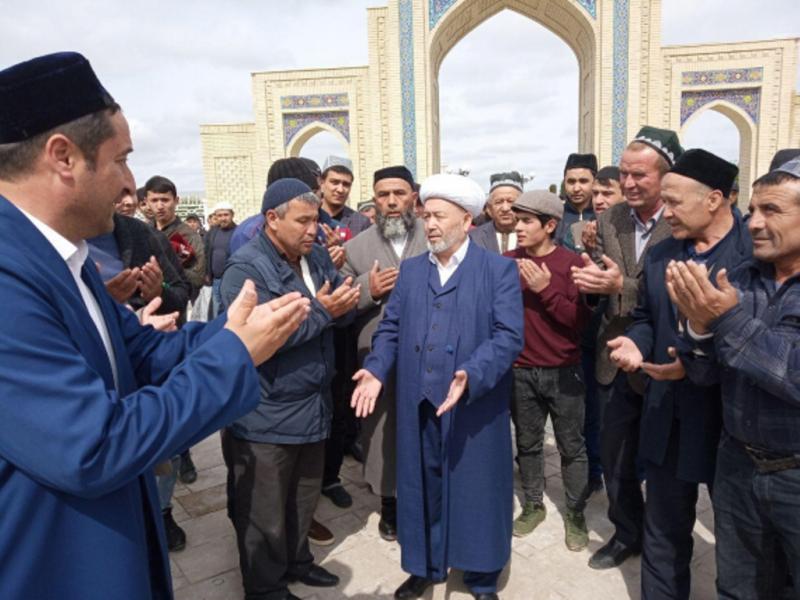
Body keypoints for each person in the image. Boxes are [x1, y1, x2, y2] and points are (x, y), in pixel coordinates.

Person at [0, 51, 311, 600]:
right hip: (58, 562)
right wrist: (235, 355)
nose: (130, 184)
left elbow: (140, 352)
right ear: (63, 156)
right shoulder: (8, 275)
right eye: (121, 160)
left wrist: (231, 332)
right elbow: (93, 447)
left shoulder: (62, 257)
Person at [352, 173, 523, 600]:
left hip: (474, 406)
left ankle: (481, 576)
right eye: (426, 216)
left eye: (439, 217)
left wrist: (472, 372)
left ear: (466, 221)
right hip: (420, 401)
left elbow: (508, 336)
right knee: (421, 486)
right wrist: (376, 369)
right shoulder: (411, 271)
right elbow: (390, 329)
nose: (429, 224)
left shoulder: (497, 270)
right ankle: (425, 566)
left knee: (476, 490)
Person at [608, 149, 749, 599]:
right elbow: (647, 316)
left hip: (731, 423)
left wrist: (695, 361)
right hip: (667, 414)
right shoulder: (662, 253)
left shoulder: (754, 255)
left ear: (713, 199)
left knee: (741, 548)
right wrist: (637, 342)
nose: (664, 213)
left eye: (674, 202)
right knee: (663, 533)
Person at [667, 157, 800, 600]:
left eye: (772, 210)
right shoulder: (740, 278)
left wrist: (724, 320)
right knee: (738, 587)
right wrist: (697, 327)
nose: (755, 223)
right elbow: (707, 374)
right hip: (738, 467)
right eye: (754, 210)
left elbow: (792, 375)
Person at [220, 178, 359, 600]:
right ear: (272, 219)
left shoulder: (315, 256)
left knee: (302, 496)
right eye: (303, 221)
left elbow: (338, 303)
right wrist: (323, 312)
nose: (313, 230)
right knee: (263, 512)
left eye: (316, 220)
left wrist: (345, 303)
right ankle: (265, 589)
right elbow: (257, 338)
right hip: (266, 411)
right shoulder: (245, 269)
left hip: (313, 404)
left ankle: (299, 562)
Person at [571, 126, 682, 570]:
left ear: (666, 176)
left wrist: (621, 287)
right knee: (615, 453)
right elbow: (601, 281)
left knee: (664, 461)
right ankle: (626, 533)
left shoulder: (682, 219)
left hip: (666, 360)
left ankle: (664, 541)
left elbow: (678, 292)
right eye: (625, 174)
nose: (629, 183)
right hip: (613, 356)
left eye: (640, 175)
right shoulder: (610, 219)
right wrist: (591, 288)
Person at [340, 165, 429, 541]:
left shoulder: (434, 235)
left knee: (427, 424)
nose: (391, 202)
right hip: (376, 354)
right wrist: (369, 288)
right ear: (373, 200)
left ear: (413, 197)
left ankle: (426, 494)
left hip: (429, 350)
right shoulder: (356, 247)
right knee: (381, 430)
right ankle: (389, 503)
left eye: (399, 193)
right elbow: (339, 301)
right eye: (383, 195)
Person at [503, 190, 591, 550]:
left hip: (564, 371)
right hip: (520, 371)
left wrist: (545, 289)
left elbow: (579, 322)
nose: (518, 227)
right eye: (517, 220)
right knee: (527, 443)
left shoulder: (573, 264)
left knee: (572, 446)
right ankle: (533, 505)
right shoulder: (507, 262)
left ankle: (575, 512)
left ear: (550, 225)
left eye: (527, 221)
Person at [145, 175, 206, 298]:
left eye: (165, 200)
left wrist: (168, 266)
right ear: (146, 202)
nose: (160, 206)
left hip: (176, 299)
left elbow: (198, 278)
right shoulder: (143, 232)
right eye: (154, 200)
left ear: (176, 201)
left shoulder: (189, 235)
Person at [469, 171, 523, 253]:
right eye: (498, 202)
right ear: (489, 209)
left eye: (511, 201)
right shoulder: (473, 237)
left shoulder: (536, 235)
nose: (505, 208)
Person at [319, 155, 371, 236]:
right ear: (322, 184)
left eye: (346, 184)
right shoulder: (310, 216)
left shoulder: (361, 222)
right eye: (335, 182)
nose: (340, 190)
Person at [555, 153, 597, 252]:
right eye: (571, 182)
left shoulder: (604, 216)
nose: (576, 188)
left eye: (583, 181)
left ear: (595, 182)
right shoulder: (555, 217)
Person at [205, 201, 237, 317]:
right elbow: (207, 252)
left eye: (226, 215)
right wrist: (207, 273)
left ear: (232, 215)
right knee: (216, 309)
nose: (223, 218)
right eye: (219, 215)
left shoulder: (238, 232)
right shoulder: (213, 232)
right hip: (216, 280)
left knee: (231, 309)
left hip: (232, 279)